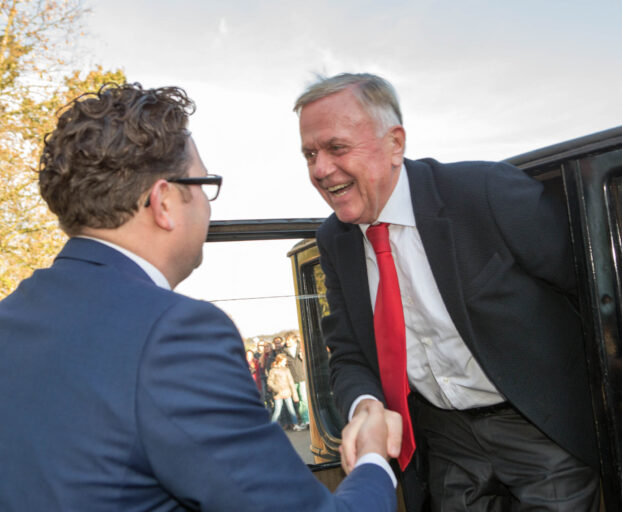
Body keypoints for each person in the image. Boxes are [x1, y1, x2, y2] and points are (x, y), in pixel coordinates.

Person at [0, 83, 399, 511]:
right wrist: (374, 457)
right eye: (205, 184)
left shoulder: (13, 317)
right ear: (164, 202)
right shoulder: (174, 335)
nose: (209, 209)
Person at [295, 72, 598, 511]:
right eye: (310, 154)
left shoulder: (486, 193)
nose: (320, 170)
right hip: (444, 441)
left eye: (337, 148)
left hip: (539, 426)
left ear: (395, 143)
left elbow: (591, 290)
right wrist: (364, 406)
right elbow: (347, 352)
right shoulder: (334, 240)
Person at [283, 333, 310, 425]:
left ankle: (306, 419)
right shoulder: (284, 352)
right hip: (293, 379)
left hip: (302, 377)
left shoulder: (301, 348)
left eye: (289, 340)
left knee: (304, 399)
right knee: (298, 400)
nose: (287, 342)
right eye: (286, 340)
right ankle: (304, 419)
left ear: (294, 340)